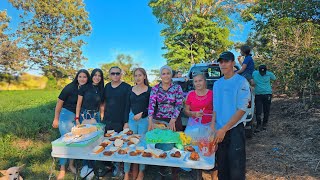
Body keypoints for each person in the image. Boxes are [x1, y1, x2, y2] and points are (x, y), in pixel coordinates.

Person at [211, 51, 251, 180]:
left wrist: (224, 128)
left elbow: (241, 109)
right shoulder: (217, 84)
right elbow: (215, 108)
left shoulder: (241, 82)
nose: (223, 64)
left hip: (234, 130)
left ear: (233, 63)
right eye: (221, 62)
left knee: (236, 169)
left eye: (226, 61)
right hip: (219, 131)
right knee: (222, 168)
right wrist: (213, 127)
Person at [51, 69, 90, 180]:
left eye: (85, 77)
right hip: (66, 115)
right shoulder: (70, 87)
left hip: (78, 117)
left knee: (75, 141)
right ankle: (62, 169)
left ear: (88, 78)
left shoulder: (86, 89)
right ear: (77, 77)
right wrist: (56, 119)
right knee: (65, 141)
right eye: (80, 76)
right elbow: (59, 103)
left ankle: (71, 164)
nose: (82, 79)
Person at [148, 65, 183, 180]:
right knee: (161, 145)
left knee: (175, 145)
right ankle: (162, 171)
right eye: (163, 73)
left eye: (168, 73)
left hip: (174, 119)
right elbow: (152, 105)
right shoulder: (155, 88)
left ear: (171, 74)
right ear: (160, 75)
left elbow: (179, 104)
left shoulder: (177, 88)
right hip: (160, 120)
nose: (166, 75)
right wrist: (150, 121)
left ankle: (175, 172)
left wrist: (173, 119)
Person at [102, 66, 131, 177]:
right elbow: (104, 102)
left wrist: (126, 122)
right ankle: (111, 166)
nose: (115, 75)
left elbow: (128, 106)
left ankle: (120, 167)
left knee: (120, 144)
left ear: (121, 74)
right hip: (108, 120)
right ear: (109, 75)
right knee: (109, 143)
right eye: (113, 73)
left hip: (121, 120)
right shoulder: (107, 86)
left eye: (117, 73)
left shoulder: (126, 87)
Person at [76, 68, 104, 179]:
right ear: (92, 76)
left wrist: (101, 117)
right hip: (85, 116)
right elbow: (78, 104)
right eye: (95, 75)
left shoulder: (102, 89)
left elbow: (102, 104)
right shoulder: (84, 87)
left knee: (95, 142)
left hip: (96, 116)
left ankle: (92, 167)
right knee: (86, 141)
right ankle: (85, 166)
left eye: (99, 75)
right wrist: (77, 118)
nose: (97, 77)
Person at [124, 68, 151, 180]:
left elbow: (153, 107)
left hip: (144, 120)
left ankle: (141, 172)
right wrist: (125, 122)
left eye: (140, 75)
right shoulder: (130, 89)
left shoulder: (150, 90)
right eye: (135, 75)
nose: (138, 77)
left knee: (142, 145)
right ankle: (126, 173)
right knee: (129, 143)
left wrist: (142, 113)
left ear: (144, 76)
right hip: (131, 119)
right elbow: (126, 106)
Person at [252, 65, 276, 132]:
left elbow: (275, 80)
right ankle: (258, 125)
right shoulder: (254, 73)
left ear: (266, 71)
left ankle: (265, 124)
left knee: (266, 110)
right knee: (258, 111)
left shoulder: (269, 74)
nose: (262, 73)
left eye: (264, 72)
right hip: (258, 95)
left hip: (267, 94)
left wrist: (273, 89)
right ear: (258, 71)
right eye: (261, 72)